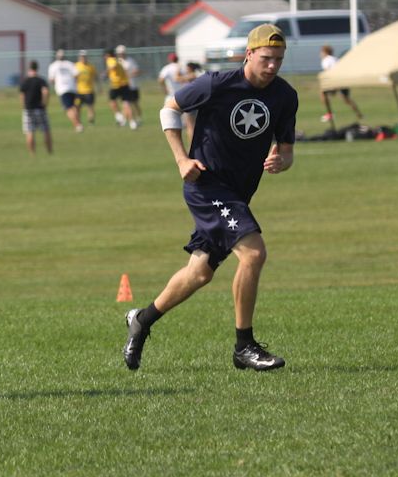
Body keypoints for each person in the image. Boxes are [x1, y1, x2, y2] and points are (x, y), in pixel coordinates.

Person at [122, 24, 297, 374]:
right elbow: (169, 109)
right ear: (248, 54)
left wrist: (282, 161)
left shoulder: (285, 96)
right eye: (266, 58)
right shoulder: (217, 83)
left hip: (238, 194)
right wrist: (181, 159)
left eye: (278, 59)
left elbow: (287, 150)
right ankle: (244, 346)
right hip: (207, 186)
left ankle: (142, 319)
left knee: (199, 273)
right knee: (254, 253)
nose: (272, 66)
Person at [317, 45, 362, 124]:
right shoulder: (335, 59)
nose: (320, 54)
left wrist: (329, 84)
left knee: (323, 93)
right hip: (342, 80)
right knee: (346, 99)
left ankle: (329, 114)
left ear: (325, 52)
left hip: (335, 80)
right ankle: (359, 114)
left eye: (321, 52)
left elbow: (328, 72)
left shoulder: (326, 60)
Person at [19, 60, 53, 155]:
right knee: (45, 130)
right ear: (37, 68)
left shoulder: (25, 81)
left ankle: (32, 154)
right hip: (40, 108)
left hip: (28, 109)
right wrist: (44, 103)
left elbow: (22, 95)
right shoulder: (41, 80)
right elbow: (45, 91)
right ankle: (49, 152)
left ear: (29, 68)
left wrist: (24, 106)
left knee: (30, 131)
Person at [105, 45, 141, 129]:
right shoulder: (118, 60)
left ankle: (120, 116)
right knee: (126, 103)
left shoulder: (111, 60)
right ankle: (131, 122)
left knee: (114, 100)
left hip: (118, 84)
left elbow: (113, 66)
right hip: (125, 84)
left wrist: (106, 72)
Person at [47, 49, 82, 132]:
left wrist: (57, 82)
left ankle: (77, 125)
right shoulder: (70, 64)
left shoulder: (53, 66)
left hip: (62, 89)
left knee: (68, 109)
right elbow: (77, 75)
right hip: (72, 88)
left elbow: (51, 79)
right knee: (73, 107)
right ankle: (78, 123)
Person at [73, 51, 99, 125]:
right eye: (81, 56)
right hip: (79, 91)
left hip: (89, 91)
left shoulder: (91, 67)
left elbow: (96, 77)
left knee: (90, 107)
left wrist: (99, 87)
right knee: (77, 107)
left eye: (84, 56)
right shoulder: (76, 66)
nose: (83, 58)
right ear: (79, 57)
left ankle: (91, 122)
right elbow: (73, 77)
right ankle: (78, 122)